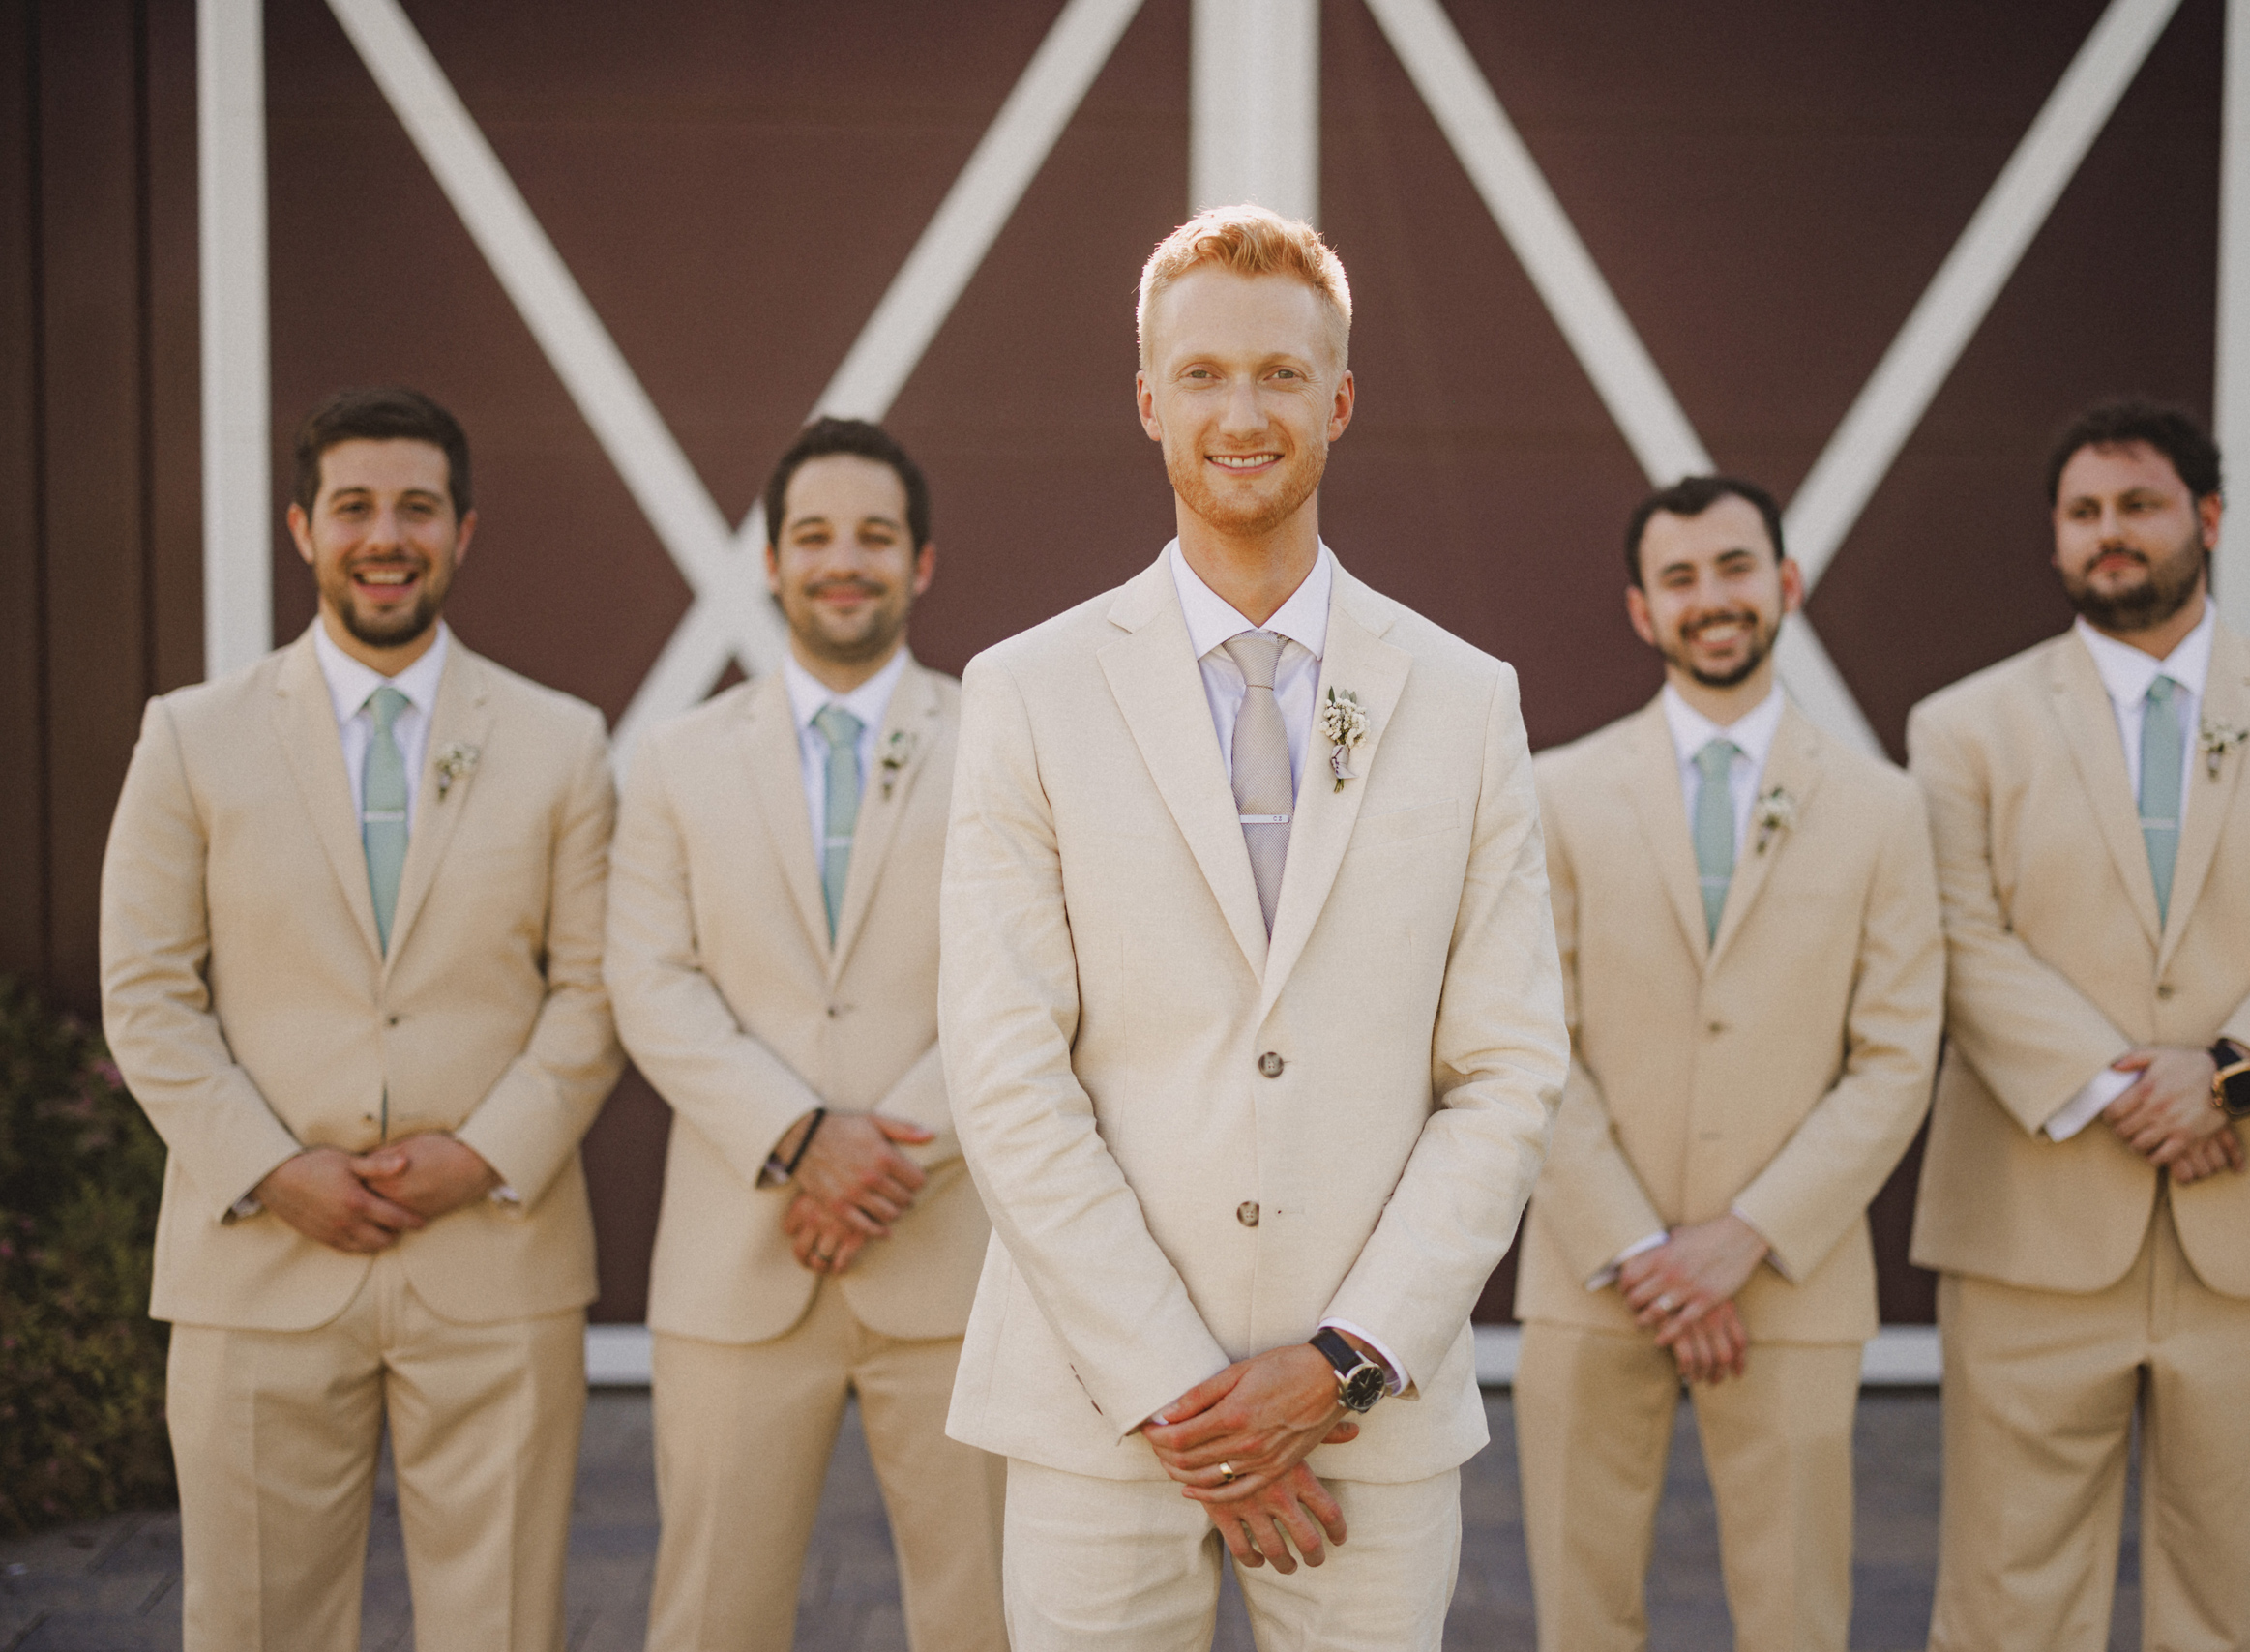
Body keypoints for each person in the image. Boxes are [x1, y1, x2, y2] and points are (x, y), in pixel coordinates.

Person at [935, 204, 1568, 1651]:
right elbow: (1005, 1066)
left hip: (1370, 1423)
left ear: (1338, 402)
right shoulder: (1028, 692)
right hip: (1099, 1412)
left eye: (1282, 375)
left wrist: (1343, 1365)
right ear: (1149, 400)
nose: (1243, 411)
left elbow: (1510, 1071)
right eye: (1204, 374)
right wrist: (1178, 1391)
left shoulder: (1466, 699)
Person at [99, 386, 621, 1652]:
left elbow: (596, 989)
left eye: (416, 509)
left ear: (463, 531)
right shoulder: (191, 738)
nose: (384, 536)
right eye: (354, 508)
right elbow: (148, 991)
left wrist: (483, 1154)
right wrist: (274, 1171)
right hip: (257, 1262)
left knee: (501, 1627)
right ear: (302, 527)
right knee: (255, 1627)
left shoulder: (558, 742)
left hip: (494, 1254)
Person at [1908, 398, 2250, 1651]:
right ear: (2057, 541)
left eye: (2137, 505)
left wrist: (2232, 1078)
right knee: (2006, 1592)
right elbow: (1957, 933)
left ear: (2206, 518)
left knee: (2230, 1596)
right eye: (2084, 514)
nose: (2110, 534)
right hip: (2035, 1215)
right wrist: (2128, 1087)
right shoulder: (1962, 725)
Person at [1513, 475, 1944, 1652]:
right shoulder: (1554, 792)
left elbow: (1897, 1056)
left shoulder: (1882, 807)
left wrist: (1740, 1236)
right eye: (1681, 577)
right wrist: (1641, 1250)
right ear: (1643, 609)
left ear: (1786, 586)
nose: (1713, 598)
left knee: (1796, 1614)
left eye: (1736, 569)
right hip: (1594, 1274)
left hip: (1789, 1280)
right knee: (1579, 1613)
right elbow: (1523, 1040)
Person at [607, 417, 1004, 1652]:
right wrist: (799, 1139)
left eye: (875, 537)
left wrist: (886, 1152)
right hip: (738, 1257)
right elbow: (650, 982)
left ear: (921, 562)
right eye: (814, 536)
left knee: (986, 1616)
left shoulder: (1001, 738)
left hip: (951, 1259)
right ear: (770, 563)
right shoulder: (675, 761)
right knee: (710, 1618)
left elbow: (1033, 978)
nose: (846, 561)